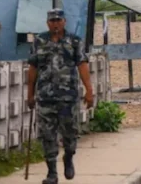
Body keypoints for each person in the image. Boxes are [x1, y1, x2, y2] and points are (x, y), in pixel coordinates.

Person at [27, 9, 94, 183]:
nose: (55, 23)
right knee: (47, 135)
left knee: (70, 133)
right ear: (47, 23)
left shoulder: (74, 41)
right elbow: (33, 67)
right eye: (52, 21)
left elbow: (82, 65)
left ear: (64, 21)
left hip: (68, 98)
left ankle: (69, 157)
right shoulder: (39, 41)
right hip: (45, 97)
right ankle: (51, 173)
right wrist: (30, 94)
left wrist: (89, 91)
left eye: (58, 20)